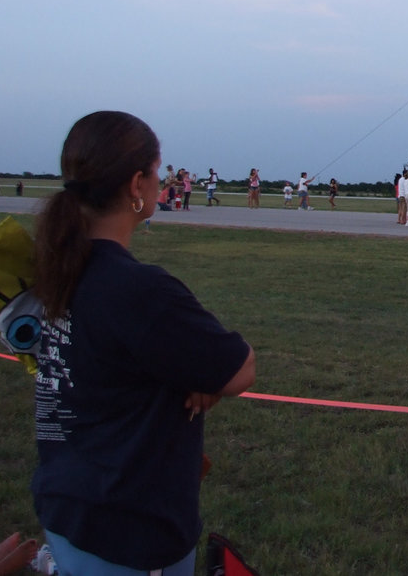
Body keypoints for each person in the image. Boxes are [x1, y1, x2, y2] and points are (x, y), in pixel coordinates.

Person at [31, 111, 255, 576]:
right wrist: (201, 376)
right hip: (128, 528)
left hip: (70, 503)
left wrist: (195, 373)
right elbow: (239, 369)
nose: (162, 184)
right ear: (136, 184)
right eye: (158, 173)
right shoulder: (139, 290)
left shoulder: (60, 268)